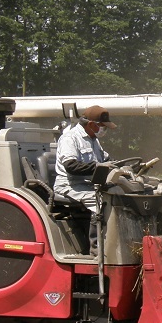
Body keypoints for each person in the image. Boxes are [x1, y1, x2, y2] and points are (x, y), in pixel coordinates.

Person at [53, 105, 116, 255]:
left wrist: (125, 166)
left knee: (117, 195)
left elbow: (108, 159)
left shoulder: (94, 140)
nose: (104, 130)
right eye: (103, 126)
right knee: (100, 203)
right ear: (91, 124)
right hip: (69, 185)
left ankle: (115, 244)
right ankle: (97, 251)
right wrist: (99, 167)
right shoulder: (70, 138)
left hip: (88, 184)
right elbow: (71, 166)